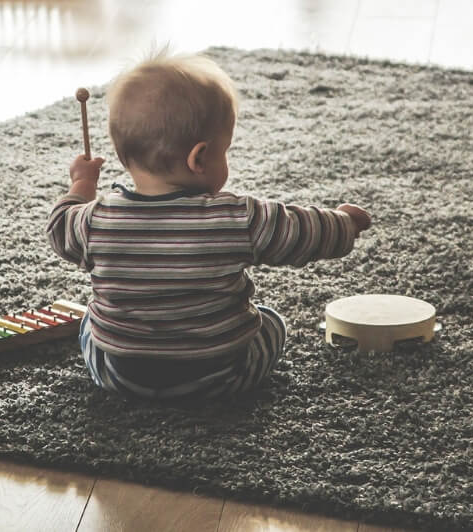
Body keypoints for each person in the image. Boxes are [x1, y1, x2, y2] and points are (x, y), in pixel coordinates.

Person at [47, 50, 371, 400]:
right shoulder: (237, 217)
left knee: (88, 324)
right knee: (272, 321)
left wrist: (81, 184)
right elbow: (303, 231)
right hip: (221, 375)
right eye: (225, 150)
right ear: (199, 157)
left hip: (120, 376)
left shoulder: (95, 221)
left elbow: (59, 227)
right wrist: (345, 223)